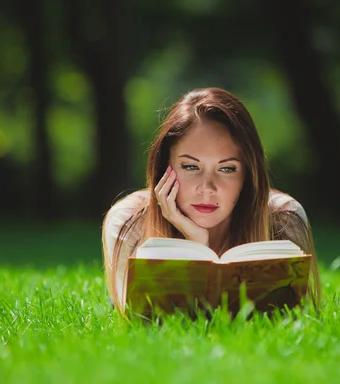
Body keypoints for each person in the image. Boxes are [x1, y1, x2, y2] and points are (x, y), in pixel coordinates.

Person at [102, 87, 320, 315]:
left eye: (227, 168)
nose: (207, 188)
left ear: (247, 175)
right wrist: (194, 246)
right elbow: (134, 320)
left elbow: (300, 317)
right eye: (190, 166)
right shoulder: (129, 221)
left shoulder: (285, 218)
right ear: (164, 168)